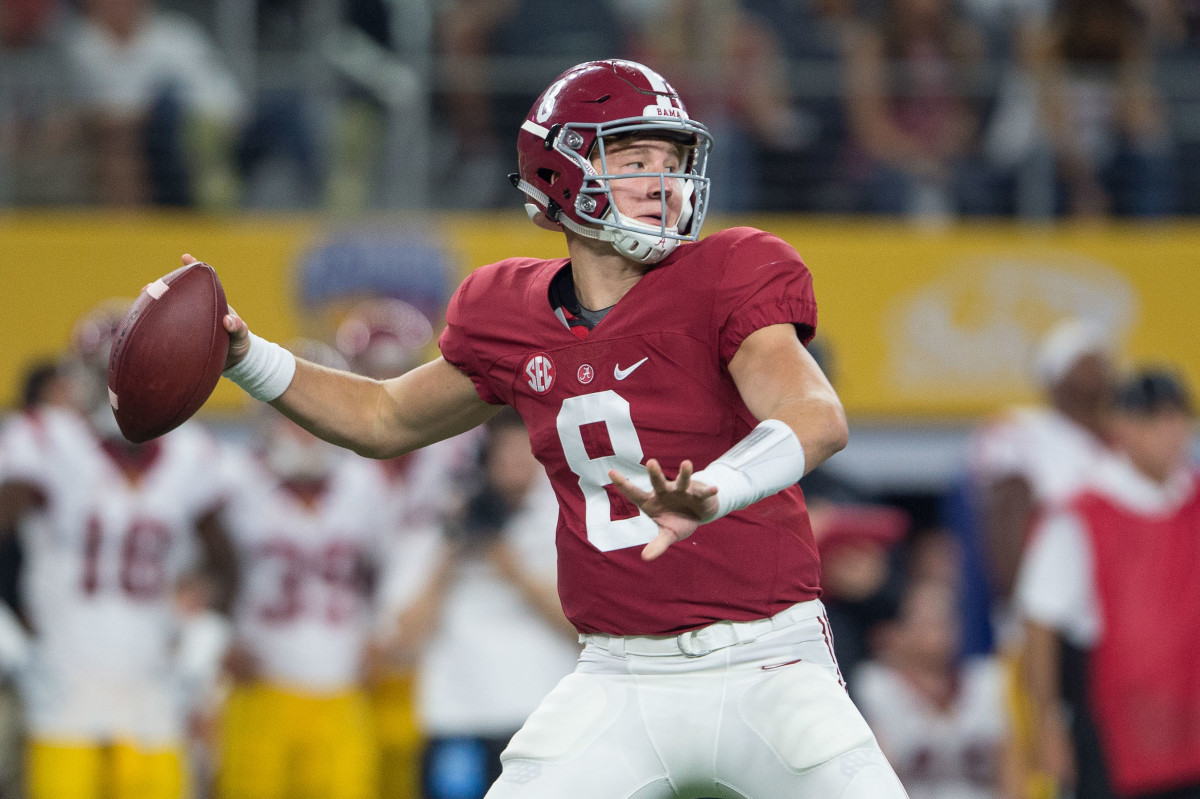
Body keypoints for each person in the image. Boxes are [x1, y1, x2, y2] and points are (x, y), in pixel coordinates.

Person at [200, 58, 907, 798]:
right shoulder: (506, 312)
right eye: (636, 161)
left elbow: (815, 415)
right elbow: (383, 416)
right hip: (619, 674)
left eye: (673, 162)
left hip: (771, 662)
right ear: (560, 176)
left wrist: (719, 488)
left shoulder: (730, 271)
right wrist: (247, 357)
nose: (665, 185)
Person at [0, 301, 239, 799]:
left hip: (151, 692)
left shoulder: (192, 455)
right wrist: (11, 643)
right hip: (63, 689)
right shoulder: (48, 440)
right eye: (104, 369)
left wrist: (205, 638)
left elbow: (227, 563)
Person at [215, 340, 391, 799]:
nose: (305, 430)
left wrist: (379, 632)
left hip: (343, 684)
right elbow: (196, 571)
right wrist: (218, 635)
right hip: (261, 683)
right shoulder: (233, 481)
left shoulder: (365, 484)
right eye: (290, 413)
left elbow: (388, 568)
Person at [1016, 368, 1200, 799]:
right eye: (1154, 421)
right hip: (1110, 723)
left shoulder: (1193, 502)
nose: (1171, 433)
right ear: (1123, 427)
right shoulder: (1081, 511)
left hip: (1190, 713)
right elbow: (1040, 624)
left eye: (1178, 419)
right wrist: (1046, 724)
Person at [417, 409, 579, 799]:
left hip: (541, 716)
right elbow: (401, 638)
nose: (514, 464)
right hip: (458, 715)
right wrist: (450, 552)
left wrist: (510, 566)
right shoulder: (448, 518)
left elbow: (583, 627)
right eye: (503, 453)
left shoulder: (568, 521)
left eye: (524, 453)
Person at [855, 578, 1023, 799]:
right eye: (924, 620)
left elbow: (1012, 772)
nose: (936, 628)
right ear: (896, 630)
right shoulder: (876, 686)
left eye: (944, 618)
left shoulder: (988, 680)